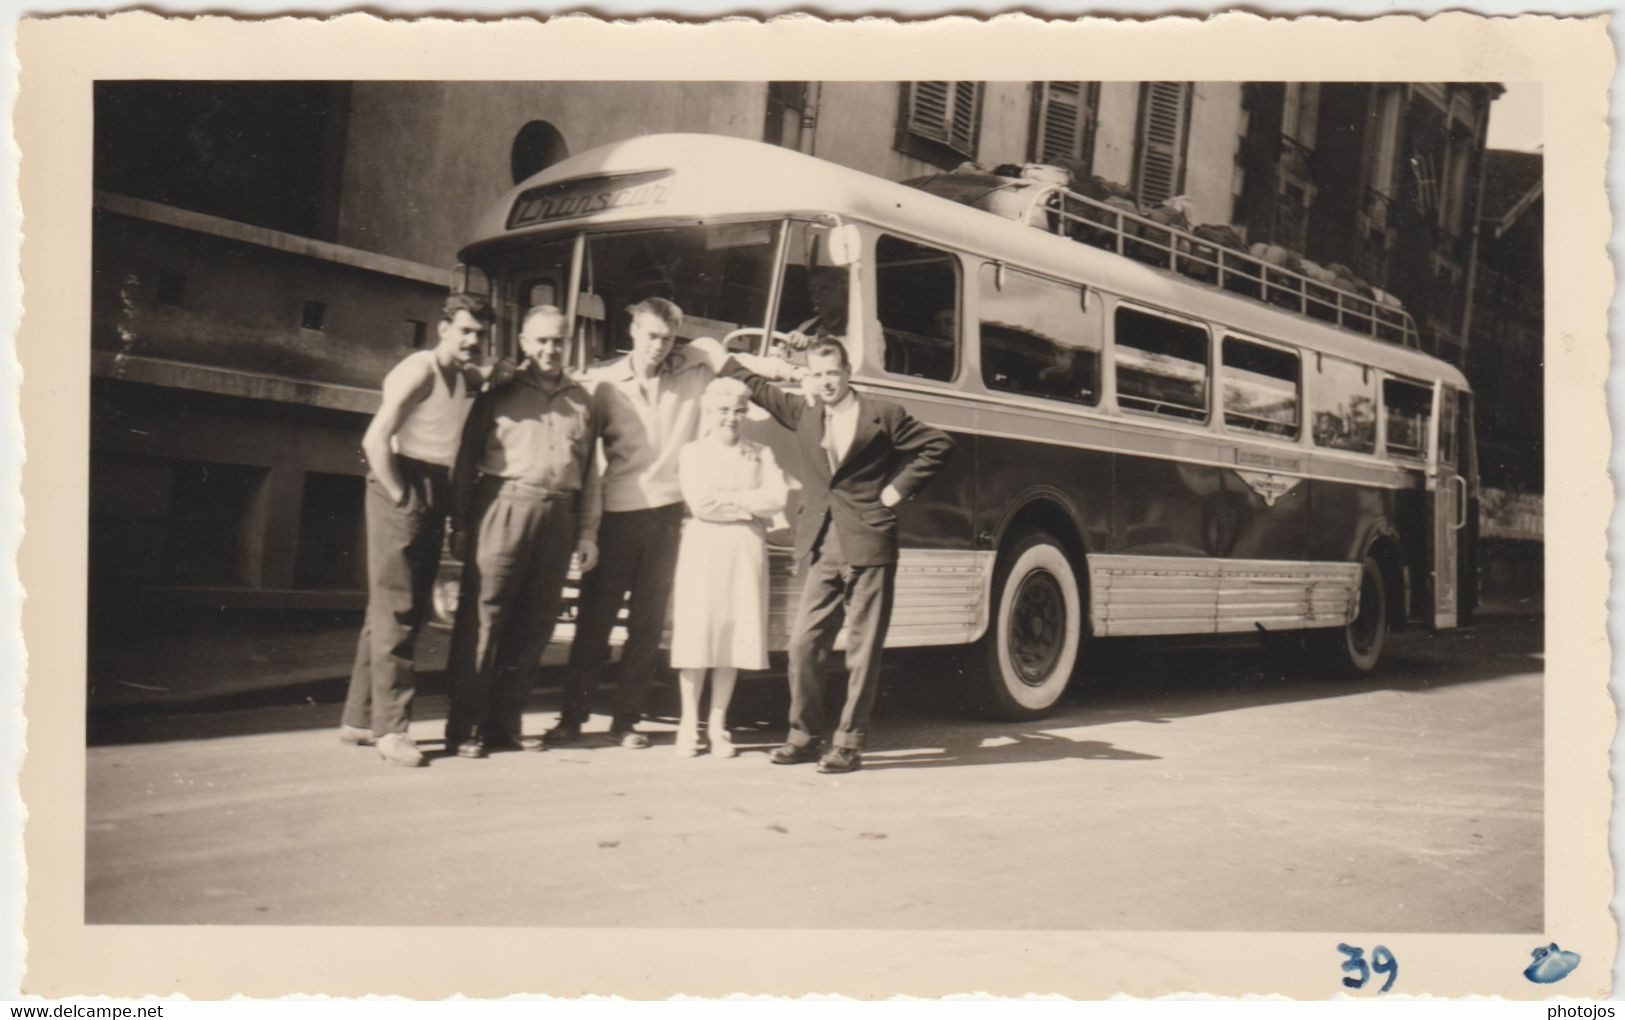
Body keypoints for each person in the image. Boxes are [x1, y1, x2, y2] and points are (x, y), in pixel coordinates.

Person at [720, 338, 953, 773]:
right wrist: (791, 373)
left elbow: (938, 445)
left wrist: (895, 491)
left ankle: (848, 743)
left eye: (832, 373)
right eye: (818, 373)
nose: (826, 382)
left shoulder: (883, 414)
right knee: (803, 643)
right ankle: (803, 736)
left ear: (847, 372)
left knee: (862, 650)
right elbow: (736, 372)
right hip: (823, 544)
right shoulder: (803, 410)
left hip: (868, 541)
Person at [544, 297, 714, 750]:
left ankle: (627, 722)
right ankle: (571, 718)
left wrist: (698, 349)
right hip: (617, 514)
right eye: (651, 335)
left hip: (668, 515)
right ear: (633, 332)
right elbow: (586, 460)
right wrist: (587, 528)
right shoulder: (603, 385)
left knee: (647, 624)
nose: (659, 346)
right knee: (594, 625)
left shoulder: (693, 373)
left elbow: (728, 359)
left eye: (668, 337)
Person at [339, 292, 498, 768]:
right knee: (401, 610)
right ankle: (392, 731)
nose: (472, 340)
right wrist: (401, 496)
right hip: (403, 482)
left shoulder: (458, 373)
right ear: (443, 328)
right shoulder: (422, 369)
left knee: (389, 607)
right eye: (465, 330)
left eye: (480, 334)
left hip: (434, 484)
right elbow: (374, 439)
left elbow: (483, 374)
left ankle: (359, 717)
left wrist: (500, 371)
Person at [442, 306, 601, 759]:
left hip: (559, 515)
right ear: (526, 344)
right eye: (542, 341)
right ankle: (465, 725)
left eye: (559, 341)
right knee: (485, 616)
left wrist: (586, 532)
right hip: (504, 505)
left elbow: (590, 474)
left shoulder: (582, 400)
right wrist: (458, 521)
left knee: (535, 624)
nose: (551, 350)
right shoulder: (499, 391)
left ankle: (503, 725)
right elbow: (465, 459)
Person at [669, 377, 789, 758]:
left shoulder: (761, 453)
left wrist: (733, 503)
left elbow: (776, 498)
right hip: (704, 547)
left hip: (744, 549)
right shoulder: (692, 453)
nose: (731, 417)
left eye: (738, 410)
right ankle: (689, 725)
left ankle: (718, 726)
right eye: (723, 409)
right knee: (698, 637)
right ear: (709, 410)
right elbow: (701, 502)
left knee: (732, 639)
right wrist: (747, 505)